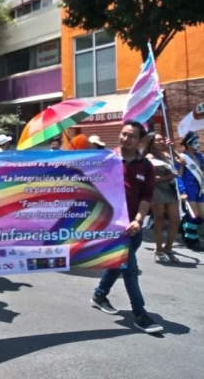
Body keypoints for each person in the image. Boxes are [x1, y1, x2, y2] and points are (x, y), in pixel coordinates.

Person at [90, 120, 163, 333]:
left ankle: (100, 294)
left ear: (140, 141)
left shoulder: (146, 166)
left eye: (131, 136)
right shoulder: (107, 161)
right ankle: (140, 314)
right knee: (130, 268)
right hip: (112, 226)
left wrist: (138, 220)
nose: (125, 139)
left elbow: (145, 196)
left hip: (134, 226)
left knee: (118, 264)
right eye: (123, 134)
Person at [143, 133, 182, 262]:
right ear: (151, 142)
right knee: (159, 219)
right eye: (158, 140)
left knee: (175, 220)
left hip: (170, 189)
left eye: (162, 139)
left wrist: (174, 149)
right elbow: (150, 179)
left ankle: (168, 248)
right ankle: (158, 250)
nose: (162, 141)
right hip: (157, 189)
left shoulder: (167, 154)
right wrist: (168, 177)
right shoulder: (149, 158)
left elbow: (183, 163)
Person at [176, 131, 204, 251]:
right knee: (194, 214)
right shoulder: (182, 157)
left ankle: (184, 226)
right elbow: (178, 175)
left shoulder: (199, 156)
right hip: (189, 188)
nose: (198, 143)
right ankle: (191, 239)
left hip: (200, 187)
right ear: (188, 143)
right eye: (195, 141)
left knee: (202, 215)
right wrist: (182, 191)